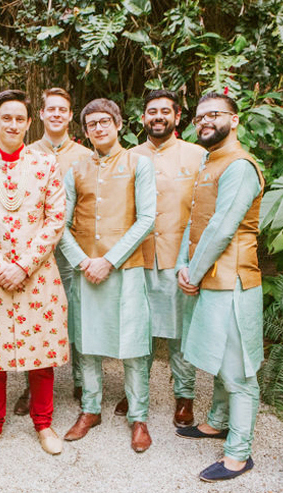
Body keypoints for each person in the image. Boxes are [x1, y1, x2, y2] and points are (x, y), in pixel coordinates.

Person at [0, 89, 69, 458]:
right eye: (5, 117)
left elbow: (55, 219)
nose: (12, 124)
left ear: (29, 122)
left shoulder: (46, 165)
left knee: (40, 356)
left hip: (37, 275)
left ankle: (44, 423)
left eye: (19, 118)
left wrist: (23, 265)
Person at [175, 92, 265, 482]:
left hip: (232, 281)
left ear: (235, 120)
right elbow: (195, 220)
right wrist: (184, 264)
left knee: (239, 371)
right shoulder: (210, 161)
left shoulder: (241, 166)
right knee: (217, 360)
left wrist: (192, 274)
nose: (205, 121)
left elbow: (223, 228)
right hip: (207, 277)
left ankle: (238, 455)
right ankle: (217, 422)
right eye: (199, 117)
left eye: (214, 114)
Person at [59, 99, 157, 453]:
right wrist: (84, 261)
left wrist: (110, 261)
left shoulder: (138, 164)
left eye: (104, 122)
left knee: (133, 345)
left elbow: (147, 219)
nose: (99, 128)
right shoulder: (76, 169)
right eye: (92, 124)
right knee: (87, 343)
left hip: (125, 268)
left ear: (118, 124)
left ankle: (139, 417)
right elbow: (60, 221)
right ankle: (90, 409)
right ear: (84, 131)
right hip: (86, 270)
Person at [114, 90, 206, 427]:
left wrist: (194, 260)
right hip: (137, 258)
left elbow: (203, 211)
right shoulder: (128, 156)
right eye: (151, 111)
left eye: (165, 111)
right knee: (139, 329)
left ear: (177, 116)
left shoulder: (197, 156)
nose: (158, 117)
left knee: (179, 333)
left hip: (177, 259)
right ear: (142, 118)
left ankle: (184, 396)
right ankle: (135, 391)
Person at [12, 88, 92, 415]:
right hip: (35, 251)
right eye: (51, 109)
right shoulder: (25, 152)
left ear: (70, 115)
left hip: (73, 249)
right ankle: (31, 389)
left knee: (76, 311)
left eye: (63, 109)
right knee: (34, 317)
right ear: (41, 115)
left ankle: (81, 380)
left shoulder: (85, 155)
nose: (57, 114)